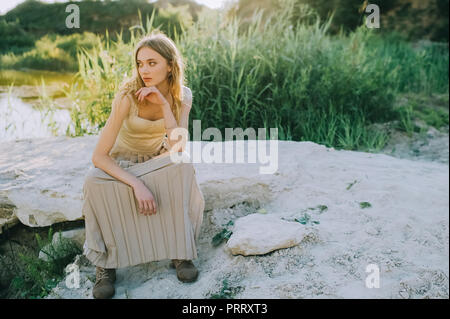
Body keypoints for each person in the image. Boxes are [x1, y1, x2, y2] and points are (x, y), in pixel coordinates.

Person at [81, 31, 205, 299]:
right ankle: (105, 266)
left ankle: (180, 252)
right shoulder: (127, 95)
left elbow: (177, 147)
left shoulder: (183, 96)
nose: (144, 70)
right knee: (93, 180)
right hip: (122, 163)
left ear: (170, 65)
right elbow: (99, 156)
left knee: (183, 164)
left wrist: (163, 105)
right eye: (140, 63)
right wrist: (136, 184)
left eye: (152, 63)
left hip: (154, 159)